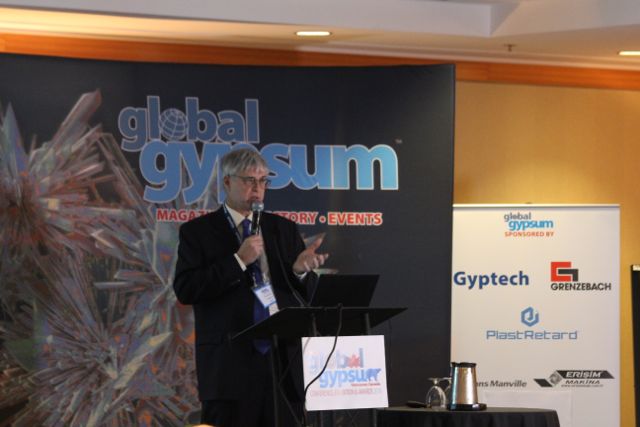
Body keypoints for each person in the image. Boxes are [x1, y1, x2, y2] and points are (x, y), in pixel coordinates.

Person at [173, 147, 328, 427]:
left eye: (263, 181)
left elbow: (305, 295)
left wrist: (300, 271)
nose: (257, 189)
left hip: (282, 363)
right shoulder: (198, 232)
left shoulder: (283, 229)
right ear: (227, 182)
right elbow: (186, 289)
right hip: (229, 365)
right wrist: (238, 261)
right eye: (249, 180)